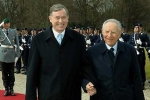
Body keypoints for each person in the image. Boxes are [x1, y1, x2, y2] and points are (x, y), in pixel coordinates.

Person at [26, 4, 87, 100]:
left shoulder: (78, 39)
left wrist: (86, 83)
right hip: (48, 95)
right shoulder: (38, 40)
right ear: (50, 19)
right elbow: (32, 72)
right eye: (57, 18)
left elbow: (84, 67)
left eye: (63, 17)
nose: (61, 21)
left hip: (72, 95)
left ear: (68, 18)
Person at [83, 19, 145, 100]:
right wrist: (87, 84)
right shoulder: (92, 52)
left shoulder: (129, 50)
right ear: (102, 32)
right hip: (101, 96)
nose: (109, 35)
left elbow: (136, 78)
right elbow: (86, 74)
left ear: (119, 33)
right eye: (107, 31)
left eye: (113, 32)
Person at [0, 18, 20, 96]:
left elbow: (17, 43)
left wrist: (17, 54)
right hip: (3, 54)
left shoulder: (13, 31)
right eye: (5, 23)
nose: (6, 25)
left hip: (11, 54)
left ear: (10, 24)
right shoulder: (1, 31)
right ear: (3, 24)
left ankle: (11, 88)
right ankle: (6, 89)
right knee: (4, 73)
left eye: (8, 23)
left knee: (11, 73)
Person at [128, 23, 149, 89]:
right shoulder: (131, 36)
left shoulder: (144, 35)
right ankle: (134, 81)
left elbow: (148, 43)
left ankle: (142, 82)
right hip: (134, 52)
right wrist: (133, 47)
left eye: (137, 27)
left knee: (141, 67)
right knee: (133, 67)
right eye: (135, 28)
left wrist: (141, 43)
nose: (136, 29)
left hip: (141, 52)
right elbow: (129, 44)